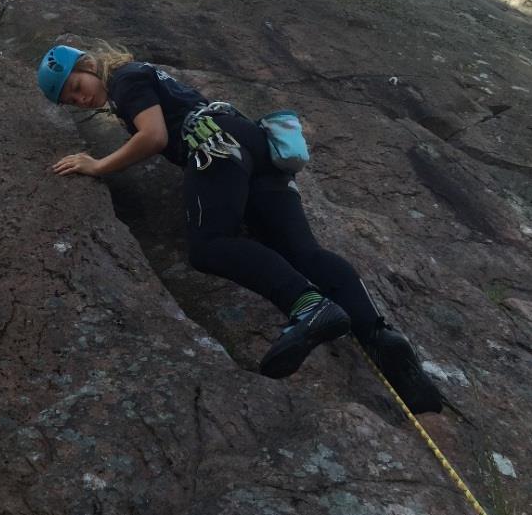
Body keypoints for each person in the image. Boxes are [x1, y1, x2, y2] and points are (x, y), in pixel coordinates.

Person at [37, 42, 445, 415]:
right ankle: (378, 334)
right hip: (254, 145)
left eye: (76, 85)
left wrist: (98, 164)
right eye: (71, 100)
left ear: (88, 64)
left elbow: (155, 136)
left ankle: (309, 307)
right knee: (302, 252)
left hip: (213, 144)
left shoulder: (124, 79)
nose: (80, 98)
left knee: (210, 246)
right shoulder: (145, 74)